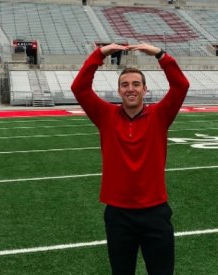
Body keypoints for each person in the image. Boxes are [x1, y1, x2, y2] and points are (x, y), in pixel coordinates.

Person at [71, 43, 189, 275]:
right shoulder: (105, 115)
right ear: (119, 91)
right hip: (118, 214)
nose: (130, 89)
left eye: (136, 84)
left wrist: (159, 54)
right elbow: (80, 87)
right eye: (125, 85)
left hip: (155, 211)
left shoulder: (160, 115)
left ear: (145, 90)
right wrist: (101, 53)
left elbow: (181, 85)